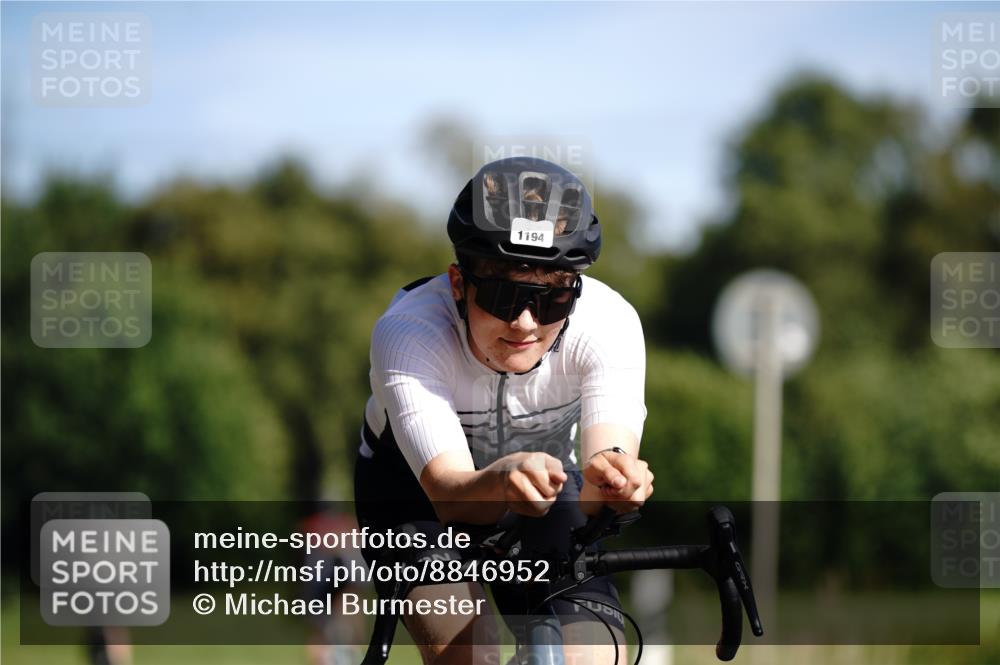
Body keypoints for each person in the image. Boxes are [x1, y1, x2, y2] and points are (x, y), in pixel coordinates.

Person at [354, 156, 654, 665]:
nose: (525, 323)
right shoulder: (410, 332)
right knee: (469, 653)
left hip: (546, 489)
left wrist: (616, 484)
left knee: (596, 656)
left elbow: (605, 465)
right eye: (501, 296)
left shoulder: (609, 323)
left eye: (551, 300)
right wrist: (502, 475)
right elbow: (450, 496)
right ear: (458, 283)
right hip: (417, 500)